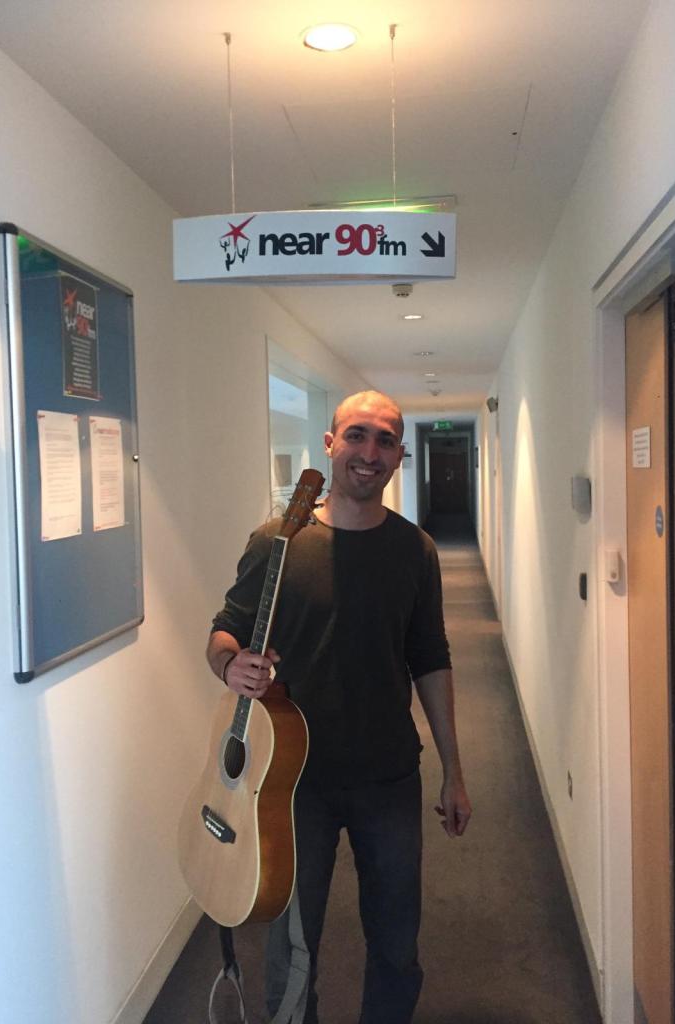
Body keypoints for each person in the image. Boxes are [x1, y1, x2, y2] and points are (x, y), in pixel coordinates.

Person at [207, 390, 472, 1024]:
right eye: (357, 435)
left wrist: (454, 771)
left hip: (388, 775)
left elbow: (430, 658)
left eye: (385, 440)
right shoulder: (277, 542)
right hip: (294, 782)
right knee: (293, 944)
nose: (369, 451)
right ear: (330, 445)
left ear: (399, 456)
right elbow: (225, 628)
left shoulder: (415, 551)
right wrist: (228, 663)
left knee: (396, 939)